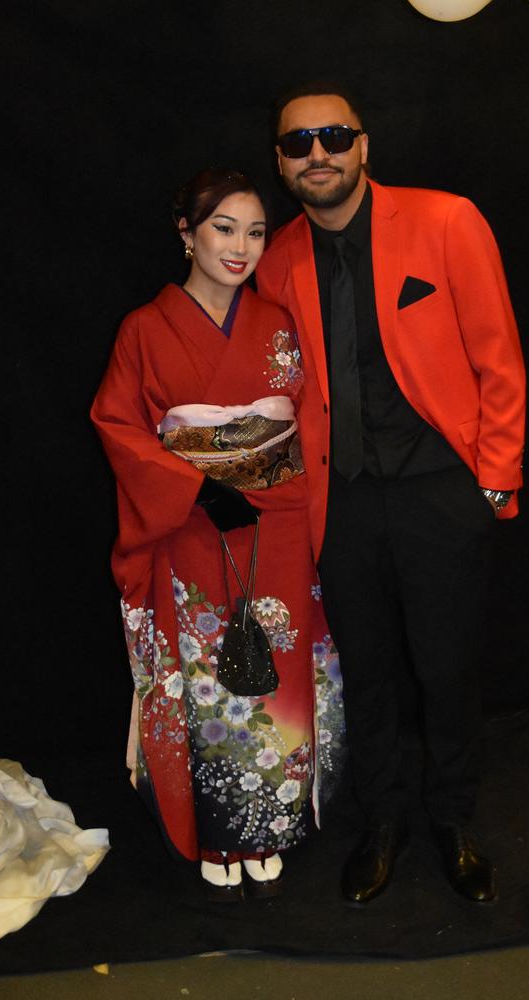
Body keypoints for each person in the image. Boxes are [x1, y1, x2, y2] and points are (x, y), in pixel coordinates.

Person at [256, 84, 526, 905]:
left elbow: (499, 359)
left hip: (441, 490)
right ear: (282, 163)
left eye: (333, 136)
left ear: (363, 145)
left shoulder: (447, 220)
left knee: (446, 671)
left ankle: (452, 818)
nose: (318, 155)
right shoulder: (279, 261)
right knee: (365, 671)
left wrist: (492, 484)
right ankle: (383, 823)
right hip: (340, 504)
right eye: (299, 144)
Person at [91, 168, 342, 900]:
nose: (242, 247)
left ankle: (269, 822)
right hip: (192, 523)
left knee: (279, 672)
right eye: (224, 228)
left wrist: (284, 491)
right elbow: (118, 424)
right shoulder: (144, 328)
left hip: (278, 522)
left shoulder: (279, 324)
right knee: (208, 680)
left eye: (256, 231)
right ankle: (218, 828)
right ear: (186, 233)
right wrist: (196, 484)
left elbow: (310, 419)